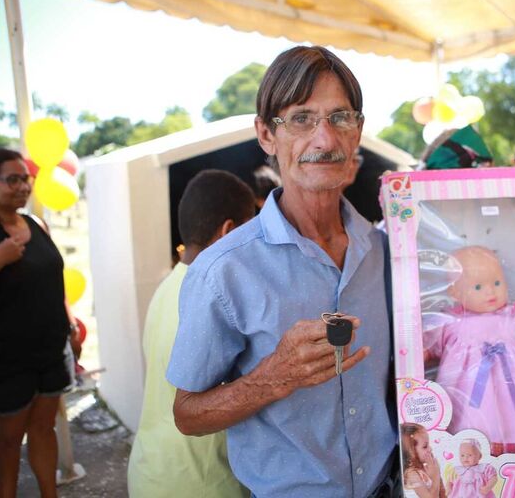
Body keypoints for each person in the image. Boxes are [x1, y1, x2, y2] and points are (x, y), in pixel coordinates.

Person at [167, 46, 396, 497]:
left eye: (340, 118)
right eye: (301, 119)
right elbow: (187, 414)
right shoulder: (223, 270)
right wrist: (272, 378)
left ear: (358, 132)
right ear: (266, 135)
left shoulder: (386, 252)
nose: (325, 140)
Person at [127, 170, 255, 497]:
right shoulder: (213, 299)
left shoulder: (170, 285)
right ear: (228, 232)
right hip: (201, 484)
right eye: (251, 230)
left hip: (151, 472)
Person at [0, 148, 72, 498]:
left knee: (44, 429)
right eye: (12, 179)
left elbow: (55, 279)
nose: (23, 186)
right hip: (2, 361)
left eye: (25, 178)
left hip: (49, 351)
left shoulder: (36, 223)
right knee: (8, 442)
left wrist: (69, 323)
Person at [425, 246, 515, 456]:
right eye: (478, 286)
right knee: (471, 428)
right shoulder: (449, 323)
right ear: (454, 292)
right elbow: (426, 350)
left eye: (497, 283)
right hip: (468, 397)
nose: (491, 291)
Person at [400, 423, 444, 498]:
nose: (430, 449)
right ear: (411, 451)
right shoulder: (411, 475)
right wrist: (435, 476)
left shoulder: (420, 470)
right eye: (425, 446)